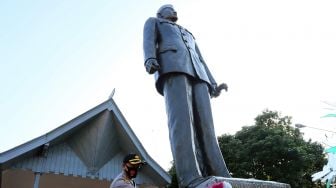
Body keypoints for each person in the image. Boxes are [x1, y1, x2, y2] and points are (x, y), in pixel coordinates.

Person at [143, 4, 231, 188]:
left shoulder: (189, 33)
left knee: (206, 125)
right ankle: (190, 177)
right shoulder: (154, 22)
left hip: (199, 74)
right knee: (182, 121)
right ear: (160, 13)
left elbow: (201, 58)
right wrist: (150, 58)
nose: (174, 11)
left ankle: (221, 174)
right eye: (169, 8)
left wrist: (213, 83)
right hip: (172, 66)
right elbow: (148, 41)